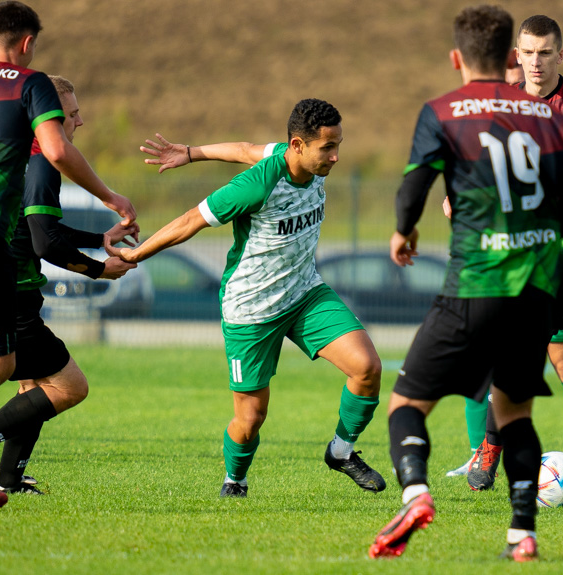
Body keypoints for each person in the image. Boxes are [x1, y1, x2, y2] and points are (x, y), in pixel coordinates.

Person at [368, 5, 563, 561]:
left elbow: (413, 187)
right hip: (533, 291)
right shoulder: (551, 116)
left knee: (405, 405)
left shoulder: (443, 111)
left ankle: (415, 493)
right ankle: (522, 533)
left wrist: (402, 232)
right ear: (513, 57)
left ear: (457, 58)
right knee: (516, 414)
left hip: (472, 287)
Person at [117, 99, 386, 498]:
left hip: (305, 294)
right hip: (252, 309)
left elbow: (242, 148)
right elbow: (191, 220)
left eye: (338, 145)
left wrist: (191, 153)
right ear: (297, 145)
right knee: (250, 418)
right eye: (327, 148)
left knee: (366, 367)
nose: (336, 156)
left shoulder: (305, 161)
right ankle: (235, 480)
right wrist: (136, 255)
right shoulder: (257, 184)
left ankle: (341, 451)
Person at [0, 1, 135, 509]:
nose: (77, 121)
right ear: (28, 44)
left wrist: (96, 242)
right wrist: (108, 197)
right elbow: (53, 158)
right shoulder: (28, 86)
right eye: (70, 114)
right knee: (3, 365)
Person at [460, 14, 563, 490]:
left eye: (545, 53)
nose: (534, 62)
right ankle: (491, 448)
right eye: (527, 52)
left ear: (560, 55)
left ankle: (508, 445)